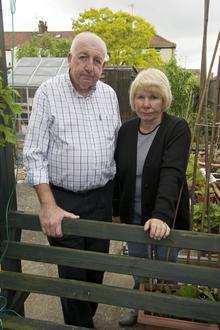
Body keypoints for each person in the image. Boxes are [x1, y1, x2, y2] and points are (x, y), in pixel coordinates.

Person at [23, 32, 121, 328]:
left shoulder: (109, 95)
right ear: (69, 59)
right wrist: (47, 205)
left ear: (103, 66)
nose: (89, 66)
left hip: (101, 199)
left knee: (96, 273)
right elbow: (34, 153)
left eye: (97, 61)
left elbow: (116, 147)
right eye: (83, 57)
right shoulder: (48, 92)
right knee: (73, 276)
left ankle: (82, 321)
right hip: (64, 200)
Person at [113, 68, 191, 327]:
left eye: (154, 97)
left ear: (164, 100)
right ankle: (139, 306)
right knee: (139, 266)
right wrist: (116, 211)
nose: (147, 105)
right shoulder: (125, 131)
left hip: (166, 215)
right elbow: (118, 175)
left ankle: (168, 315)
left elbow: (173, 173)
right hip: (133, 214)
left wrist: (161, 215)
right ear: (134, 99)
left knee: (167, 267)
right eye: (141, 97)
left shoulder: (177, 128)